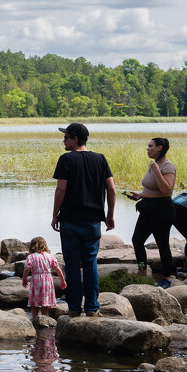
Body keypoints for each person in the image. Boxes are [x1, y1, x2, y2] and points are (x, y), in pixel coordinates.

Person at [51, 122, 116, 318]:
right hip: (93, 221)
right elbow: (111, 190)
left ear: (75, 139)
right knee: (90, 263)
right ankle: (92, 308)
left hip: (70, 220)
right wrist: (110, 215)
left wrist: (55, 215)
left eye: (66, 137)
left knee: (71, 265)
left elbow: (61, 190)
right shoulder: (100, 159)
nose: (63, 141)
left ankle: (73, 308)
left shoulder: (66, 160)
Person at [125, 138, 176, 287]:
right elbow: (151, 189)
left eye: (150, 146)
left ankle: (166, 278)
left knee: (162, 244)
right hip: (148, 208)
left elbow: (166, 190)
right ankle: (142, 272)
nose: (147, 148)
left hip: (162, 210)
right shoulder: (153, 163)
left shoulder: (167, 166)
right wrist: (140, 195)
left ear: (159, 148)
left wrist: (156, 170)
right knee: (137, 240)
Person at [21, 236, 66, 321]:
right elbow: (58, 269)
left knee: (35, 301)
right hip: (48, 280)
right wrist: (62, 281)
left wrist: (24, 279)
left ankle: (35, 319)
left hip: (36, 280)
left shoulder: (31, 257)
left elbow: (27, 268)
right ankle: (44, 318)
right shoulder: (50, 256)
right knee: (46, 300)